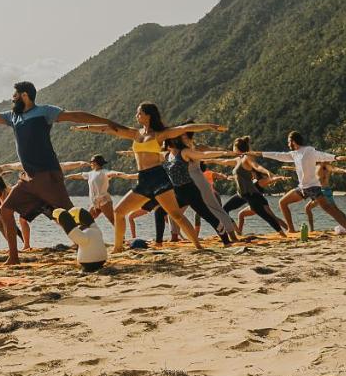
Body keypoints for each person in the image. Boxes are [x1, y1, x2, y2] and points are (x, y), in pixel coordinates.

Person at [0, 81, 122, 264]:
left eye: (15, 95)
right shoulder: (13, 117)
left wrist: (106, 121)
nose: (12, 99)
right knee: (5, 210)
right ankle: (14, 258)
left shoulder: (45, 112)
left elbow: (76, 116)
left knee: (70, 213)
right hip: (28, 179)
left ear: (25, 95)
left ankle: (94, 242)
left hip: (47, 175)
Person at [71, 103, 226, 252]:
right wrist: (85, 128)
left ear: (148, 115)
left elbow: (185, 128)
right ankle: (118, 248)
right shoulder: (135, 133)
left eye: (139, 112)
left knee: (176, 215)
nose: (136, 115)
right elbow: (109, 128)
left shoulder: (160, 134)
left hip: (159, 178)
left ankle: (198, 246)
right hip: (143, 180)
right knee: (119, 212)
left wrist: (210, 126)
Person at [254, 132, 346, 234]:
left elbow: (321, 155)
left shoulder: (308, 150)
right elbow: (278, 155)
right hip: (302, 188)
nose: (288, 144)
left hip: (313, 187)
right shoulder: (294, 154)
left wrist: (335, 157)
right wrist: (260, 154)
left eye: (289, 142)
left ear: (293, 141)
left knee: (329, 209)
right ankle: (291, 229)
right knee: (282, 202)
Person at [221, 136, 288, 235]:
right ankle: (237, 232)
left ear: (237, 148)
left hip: (251, 194)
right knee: (225, 210)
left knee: (266, 216)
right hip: (243, 194)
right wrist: (209, 160)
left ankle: (283, 233)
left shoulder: (247, 158)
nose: (232, 149)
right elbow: (224, 162)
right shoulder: (239, 159)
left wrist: (268, 172)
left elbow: (257, 166)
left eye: (233, 147)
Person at [64, 155, 136, 233]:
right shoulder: (90, 174)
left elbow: (112, 173)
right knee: (86, 221)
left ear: (96, 163)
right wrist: (66, 177)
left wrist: (122, 174)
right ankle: (78, 239)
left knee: (113, 220)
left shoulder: (104, 172)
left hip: (104, 201)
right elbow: (79, 175)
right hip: (95, 203)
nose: (90, 164)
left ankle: (122, 239)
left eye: (91, 162)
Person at [281, 160, 346, 232]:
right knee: (332, 210)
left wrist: (344, 171)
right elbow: (301, 169)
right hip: (320, 190)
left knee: (333, 210)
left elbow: (334, 169)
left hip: (323, 191)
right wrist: (289, 168)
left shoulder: (324, 165)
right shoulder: (315, 166)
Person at [51, 207, 108, 273]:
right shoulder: (96, 230)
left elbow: (74, 233)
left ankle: (88, 268)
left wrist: (65, 220)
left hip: (88, 262)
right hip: (102, 260)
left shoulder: (85, 235)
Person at [0, 174, 32, 251]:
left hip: (13, 210)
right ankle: (23, 244)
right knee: (10, 228)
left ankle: (23, 245)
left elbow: (11, 202)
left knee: (14, 227)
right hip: (5, 214)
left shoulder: (6, 191)